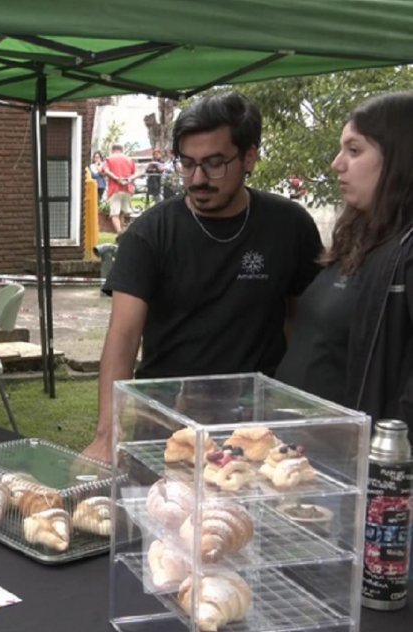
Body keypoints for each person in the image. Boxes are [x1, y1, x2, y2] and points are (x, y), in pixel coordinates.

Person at [82, 92, 323, 462]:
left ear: (249, 157)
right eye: (187, 164)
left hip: (255, 428)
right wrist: (106, 433)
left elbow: (300, 319)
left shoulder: (289, 226)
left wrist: (290, 400)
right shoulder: (150, 233)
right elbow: (123, 335)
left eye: (214, 164)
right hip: (166, 425)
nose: (197, 179)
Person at [276, 92, 413, 441]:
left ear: (400, 158)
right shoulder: (360, 236)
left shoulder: (405, 252)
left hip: (359, 466)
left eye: (354, 150)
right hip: (305, 452)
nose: (338, 163)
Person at [102, 144, 136, 233]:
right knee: (126, 212)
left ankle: (120, 234)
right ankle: (128, 231)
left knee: (115, 214)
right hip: (128, 188)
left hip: (115, 189)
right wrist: (129, 178)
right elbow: (137, 172)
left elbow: (106, 171)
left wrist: (117, 178)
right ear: (122, 150)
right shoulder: (129, 159)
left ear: (112, 150)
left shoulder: (109, 159)